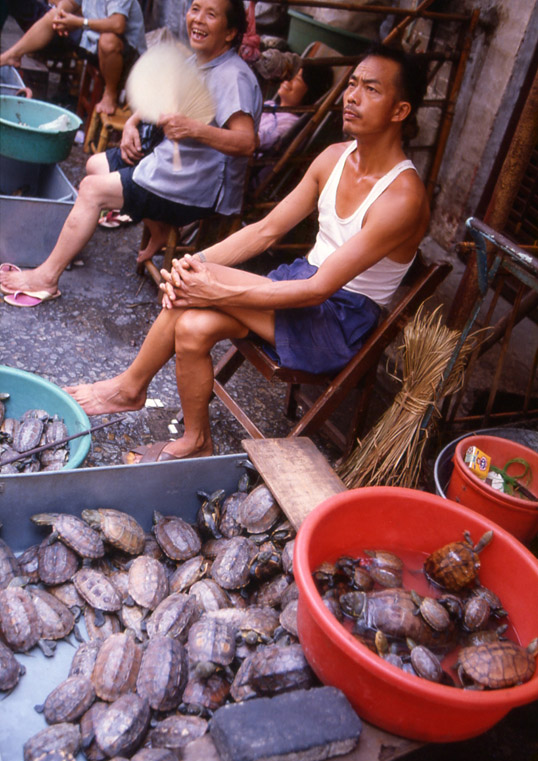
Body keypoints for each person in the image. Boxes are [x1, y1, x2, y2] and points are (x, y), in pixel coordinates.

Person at [66, 43, 431, 462]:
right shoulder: (334, 157)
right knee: (191, 326)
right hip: (300, 286)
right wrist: (197, 263)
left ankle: (129, 388)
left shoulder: (402, 197)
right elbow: (265, 230)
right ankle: (196, 439)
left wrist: (212, 287)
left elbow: (319, 290)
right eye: (351, 84)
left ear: (400, 111)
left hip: (340, 322)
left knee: (195, 291)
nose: (352, 96)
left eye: (371, 89)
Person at [0, 0, 262, 303]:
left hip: (196, 185)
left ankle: (46, 278)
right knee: (96, 165)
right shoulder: (199, 60)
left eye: (211, 14)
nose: (198, 19)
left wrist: (193, 129)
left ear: (230, 33)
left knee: (92, 190)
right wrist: (132, 124)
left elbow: (246, 143)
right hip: (173, 166)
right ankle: (159, 225)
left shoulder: (233, 77)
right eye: (195, 9)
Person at [0, 1, 147, 115]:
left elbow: (117, 25)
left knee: (108, 40)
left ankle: (110, 94)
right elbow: (71, 2)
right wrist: (60, 13)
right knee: (53, 16)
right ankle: (12, 56)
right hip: (94, 41)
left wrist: (79, 23)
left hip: (127, 58)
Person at [257, 62, 333, 153]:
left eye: (297, 79)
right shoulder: (270, 105)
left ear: (310, 92)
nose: (288, 79)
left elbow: (260, 139)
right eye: (291, 74)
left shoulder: (292, 125)